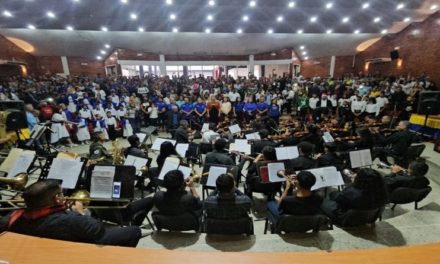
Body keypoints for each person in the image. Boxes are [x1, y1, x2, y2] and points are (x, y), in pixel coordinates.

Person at [0, 179, 141, 247]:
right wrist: (80, 213)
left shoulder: (13, 217)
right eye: (61, 194)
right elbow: (98, 231)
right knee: (133, 231)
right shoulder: (72, 220)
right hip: (78, 246)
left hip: (45, 241)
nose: (65, 197)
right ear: (56, 198)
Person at [320, 168, 388, 224]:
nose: (355, 175)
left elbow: (338, 199)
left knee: (321, 200)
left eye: (357, 175)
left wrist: (352, 185)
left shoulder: (352, 192)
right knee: (334, 194)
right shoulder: (382, 192)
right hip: (370, 217)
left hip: (344, 218)